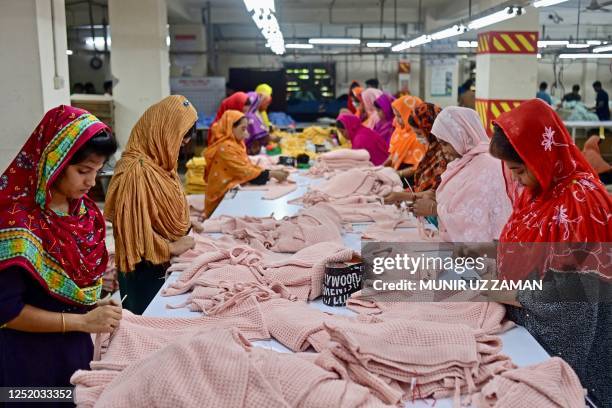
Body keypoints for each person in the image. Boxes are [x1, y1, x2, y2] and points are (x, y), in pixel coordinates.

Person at [488, 98, 611, 407]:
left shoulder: (579, 205)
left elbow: (577, 303)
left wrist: (510, 292)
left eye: (518, 170)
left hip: (575, 350)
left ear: (541, 155)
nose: (515, 179)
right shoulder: (540, 192)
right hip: (529, 323)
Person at [0, 105, 121, 387]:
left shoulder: (83, 213)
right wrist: (81, 322)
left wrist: (91, 306)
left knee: (76, 398)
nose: (91, 182)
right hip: (29, 362)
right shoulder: (16, 224)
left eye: (98, 172)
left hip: (75, 352)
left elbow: (65, 293)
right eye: (83, 171)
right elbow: (7, 312)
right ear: (54, 162)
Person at [104, 96, 199, 315]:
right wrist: (171, 247)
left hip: (167, 265)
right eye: (181, 135)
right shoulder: (135, 171)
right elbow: (131, 233)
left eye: (187, 136)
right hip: (146, 271)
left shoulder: (161, 164)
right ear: (162, 129)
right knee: (149, 325)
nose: (184, 142)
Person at [429, 107, 512, 242]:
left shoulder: (487, 165)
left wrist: (434, 210)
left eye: (445, 144)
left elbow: (472, 220)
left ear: (461, 136)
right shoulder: (464, 162)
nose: (443, 151)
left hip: (485, 253)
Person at [204, 110, 288, 218]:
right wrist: (272, 174)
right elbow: (243, 171)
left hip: (230, 194)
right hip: (220, 199)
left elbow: (246, 166)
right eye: (243, 129)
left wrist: (270, 172)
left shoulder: (236, 144)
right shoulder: (225, 147)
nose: (246, 133)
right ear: (231, 127)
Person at [384, 102, 454, 216]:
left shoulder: (446, 154)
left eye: (419, 133)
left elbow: (436, 193)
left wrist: (403, 195)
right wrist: (403, 195)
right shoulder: (432, 151)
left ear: (429, 129)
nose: (418, 138)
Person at [383, 95, 426, 181]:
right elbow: (393, 154)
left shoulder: (419, 136)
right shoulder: (399, 132)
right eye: (395, 115)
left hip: (410, 179)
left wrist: (398, 174)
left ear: (410, 114)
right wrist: (382, 167)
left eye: (400, 116)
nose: (396, 120)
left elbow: (419, 167)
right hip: (397, 175)